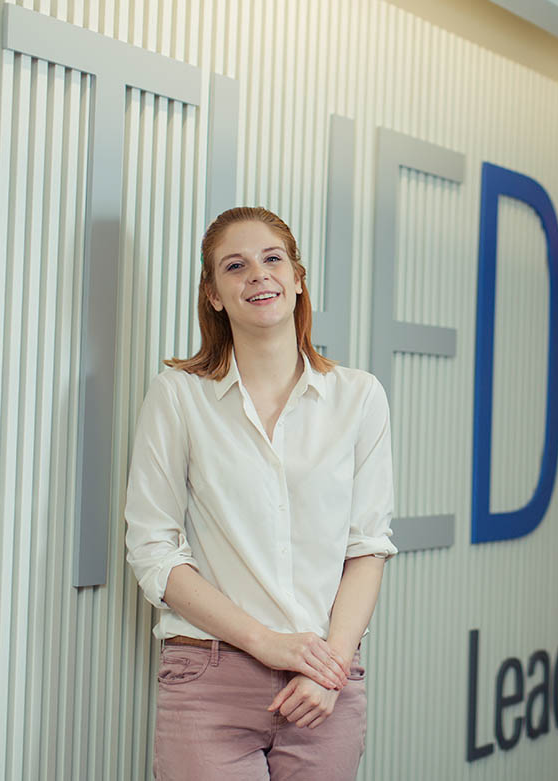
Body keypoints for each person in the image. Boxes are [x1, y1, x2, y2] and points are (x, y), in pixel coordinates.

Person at [124, 206, 397, 780]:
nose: (258, 275)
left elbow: (367, 548)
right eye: (235, 266)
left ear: (297, 279)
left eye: (272, 259)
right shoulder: (178, 396)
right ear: (215, 295)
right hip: (209, 680)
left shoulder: (359, 397)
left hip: (324, 688)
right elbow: (153, 551)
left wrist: (330, 668)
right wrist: (266, 643)